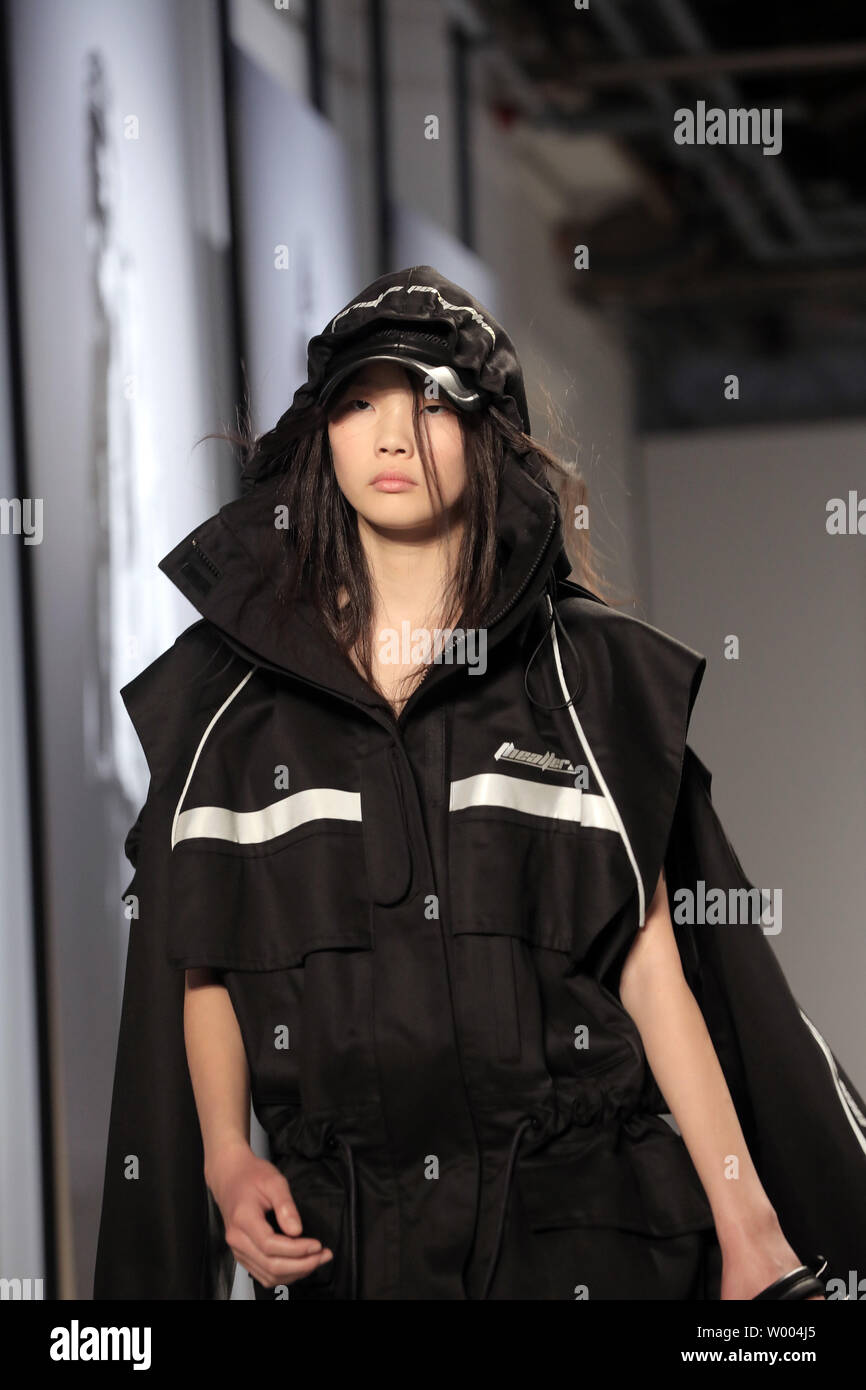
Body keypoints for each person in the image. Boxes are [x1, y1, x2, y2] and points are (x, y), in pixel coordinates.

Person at [94, 265, 865, 1301]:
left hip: (589, 1239)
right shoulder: (231, 707)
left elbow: (651, 968)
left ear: (486, 435)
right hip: (345, 1254)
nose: (392, 435)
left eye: (431, 401)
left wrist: (749, 1229)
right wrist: (226, 1158)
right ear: (322, 437)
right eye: (358, 402)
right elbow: (205, 959)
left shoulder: (580, 682)